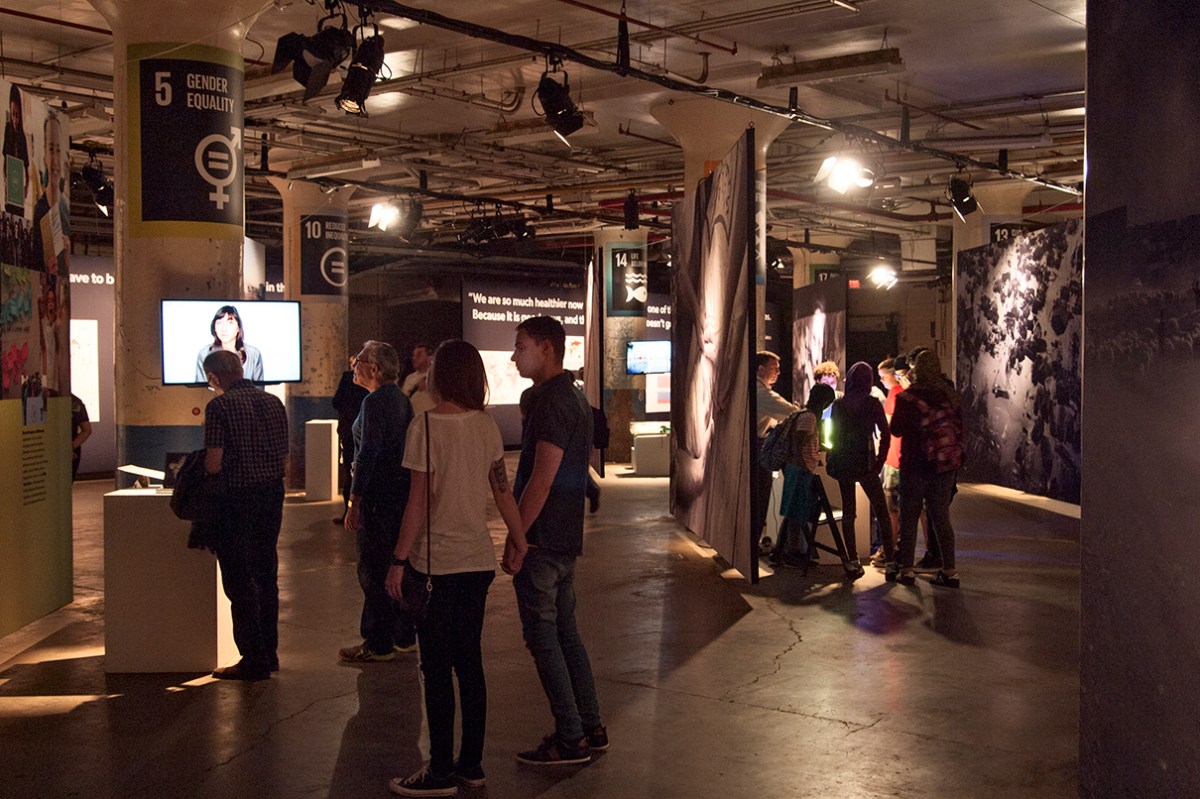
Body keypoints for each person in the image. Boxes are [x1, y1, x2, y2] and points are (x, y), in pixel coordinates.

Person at [384, 340, 524, 797]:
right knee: (471, 664)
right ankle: (471, 765)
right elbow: (503, 491)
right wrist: (519, 538)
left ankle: (440, 771)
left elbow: (418, 501)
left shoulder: (425, 426)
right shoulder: (485, 426)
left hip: (435, 566)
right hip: (477, 563)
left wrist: (398, 560)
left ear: (438, 375)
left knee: (437, 668)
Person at [504, 315, 607, 766]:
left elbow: (541, 479)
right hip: (564, 537)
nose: (514, 354)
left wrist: (518, 536)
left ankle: (570, 739)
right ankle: (590, 726)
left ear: (547, 348)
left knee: (543, 637)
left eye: (521, 346)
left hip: (543, 539)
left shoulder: (551, 403)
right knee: (566, 634)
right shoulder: (574, 397)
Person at [201, 349, 289, 680]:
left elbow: (213, 462)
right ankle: (270, 652)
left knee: (239, 580)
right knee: (266, 575)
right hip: (271, 496)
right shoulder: (274, 403)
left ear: (214, 377)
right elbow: (283, 456)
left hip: (237, 500)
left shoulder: (219, 406)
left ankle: (253, 659)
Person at [340, 341, 416, 662]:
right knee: (395, 564)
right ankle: (403, 635)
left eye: (358, 361)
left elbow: (367, 454)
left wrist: (354, 501)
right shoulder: (401, 400)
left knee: (372, 569)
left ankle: (377, 642)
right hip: (398, 495)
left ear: (374, 369)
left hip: (376, 498)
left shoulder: (374, 402)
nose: (353, 365)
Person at [890, 350, 961, 588]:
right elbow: (961, 429)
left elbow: (896, 429)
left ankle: (907, 570)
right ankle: (949, 571)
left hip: (914, 463)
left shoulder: (908, 397)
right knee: (941, 516)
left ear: (916, 369)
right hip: (944, 465)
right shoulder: (949, 396)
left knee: (909, 516)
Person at [825, 361, 895, 580]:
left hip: (843, 463)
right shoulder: (872, 404)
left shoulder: (838, 405)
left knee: (848, 512)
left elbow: (833, 437)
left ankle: (853, 561)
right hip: (867, 464)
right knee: (882, 511)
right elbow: (886, 434)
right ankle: (891, 562)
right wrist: (880, 461)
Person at [770, 383, 834, 570]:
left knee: (793, 512)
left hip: (798, 468)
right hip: (799, 470)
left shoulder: (805, 414)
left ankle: (783, 551)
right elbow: (798, 443)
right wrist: (805, 465)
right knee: (796, 512)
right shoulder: (809, 417)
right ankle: (792, 552)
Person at [754, 350, 799, 553]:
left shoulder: (756, 390)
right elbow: (791, 412)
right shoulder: (762, 394)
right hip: (756, 450)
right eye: (775, 368)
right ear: (761, 369)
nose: (779, 372)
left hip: (754, 448)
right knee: (759, 496)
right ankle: (753, 545)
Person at [30, 113, 69, 275]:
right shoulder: (39, 213)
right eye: (51, 149)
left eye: (59, 150)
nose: (55, 159)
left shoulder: (65, 209)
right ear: (45, 154)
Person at [332, 361, 368, 524]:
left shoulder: (347, 379)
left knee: (350, 471)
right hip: (359, 432)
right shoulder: (369, 385)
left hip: (349, 433)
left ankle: (349, 510)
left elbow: (336, 402)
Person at [194, 305, 264, 383]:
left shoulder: (253, 354)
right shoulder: (204, 354)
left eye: (230, 322)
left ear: (238, 328)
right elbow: (200, 390)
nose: (224, 328)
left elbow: (259, 390)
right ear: (214, 328)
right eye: (219, 323)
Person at [4, 85, 29, 217]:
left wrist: (27, 187)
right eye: (13, 114)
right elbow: (4, 161)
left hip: (18, 189)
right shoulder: (8, 132)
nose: (15, 120)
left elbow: (27, 166)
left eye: (18, 115)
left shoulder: (22, 137)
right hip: (11, 186)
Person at [402, 343, 436, 415]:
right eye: (414, 355)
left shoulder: (436, 378)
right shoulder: (409, 378)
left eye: (419, 355)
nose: (414, 358)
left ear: (430, 357)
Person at [70, 393, 92, 481]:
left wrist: (70, 448)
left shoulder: (75, 402)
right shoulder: (75, 401)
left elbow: (86, 430)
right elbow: (87, 430)